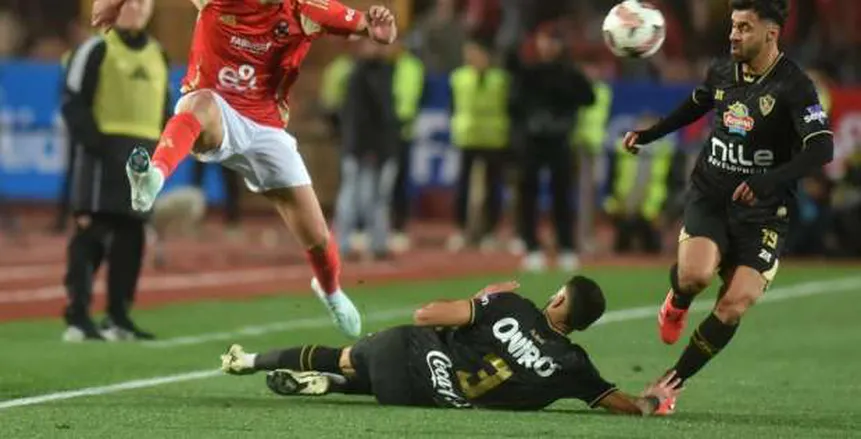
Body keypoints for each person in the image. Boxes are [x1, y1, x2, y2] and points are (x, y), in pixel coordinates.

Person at [90, 0, 399, 338]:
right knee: (198, 102)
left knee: (318, 237)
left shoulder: (307, 9)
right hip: (219, 113)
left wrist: (381, 29)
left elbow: (369, 26)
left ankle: (331, 292)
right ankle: (153, 177)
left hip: (267, 130)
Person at [621, 0, 833, 411]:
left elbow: (822, 147)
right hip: (712, 196)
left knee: (734, 303)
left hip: (764, 214)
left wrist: (767, 180)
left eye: (744, 28)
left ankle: (669, 385)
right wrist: (651, 134)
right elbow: (697, 104)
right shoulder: (722, 70)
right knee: (695, 276)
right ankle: (678, 299)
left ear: (771, 34)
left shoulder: (794, 85)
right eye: (733, 26)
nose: (733, 35)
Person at [219, 276, 681, 415]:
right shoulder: (573, 365)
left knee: (348, 356)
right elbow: (625, 405)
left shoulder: (512, 307)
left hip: (405, 353)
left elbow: (425, 315)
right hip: (426, 398)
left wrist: (482, 299)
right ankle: (334, 384)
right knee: (367, 378)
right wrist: (651, 400)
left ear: (559, 301)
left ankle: (249, 360)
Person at [62, 0, 170, 341]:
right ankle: (78, 318)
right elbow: (73, 102)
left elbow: (165, 108)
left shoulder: (158, 54)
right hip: (101, 155)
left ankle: (119, 317)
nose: (136, 7)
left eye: (143, 2)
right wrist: (96, 146)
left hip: (143, 158)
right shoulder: (96, 48)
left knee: (132, 236)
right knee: (92, 233)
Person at [510, 23, 595, 272]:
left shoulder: (570, 73)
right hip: (532, 142)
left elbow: (589, 97)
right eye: (543, 40)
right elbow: (513, 105)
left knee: (562, 195)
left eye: (552, 40)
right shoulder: (528, 72)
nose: (547, 45)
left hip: (560, 140)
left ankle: (566, 246)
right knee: (528, 194)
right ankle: (531, 246)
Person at [446, 37, 510, 252]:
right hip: (467, 138)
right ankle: (463, 230)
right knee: (463, 187)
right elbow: (452, 106)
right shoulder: (458, 78)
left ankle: (489, 232)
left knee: (492, 188)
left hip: (493, 138)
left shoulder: (500, 80)